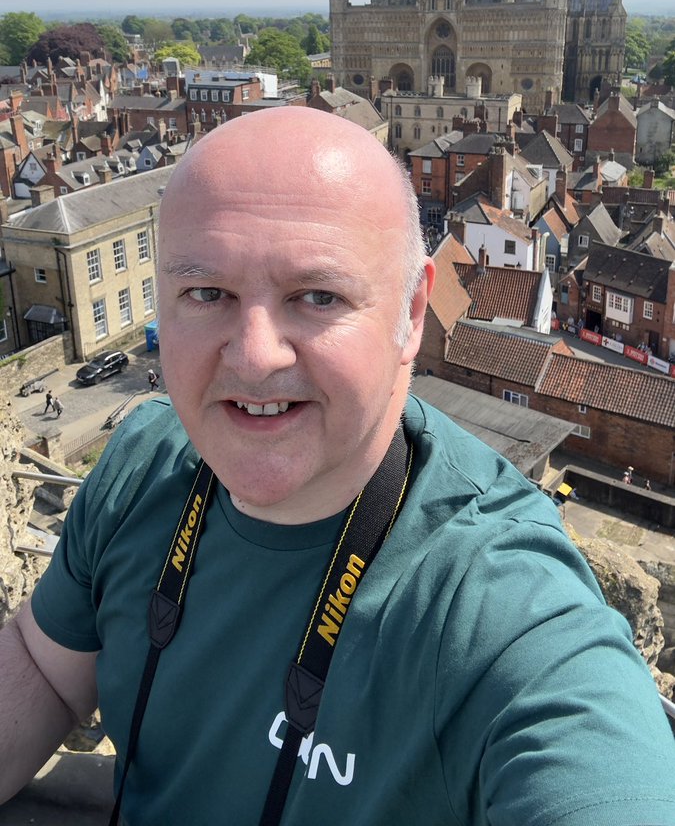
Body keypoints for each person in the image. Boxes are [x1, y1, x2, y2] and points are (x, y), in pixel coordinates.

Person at [1, 108, 674, 826]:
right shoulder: (143, 461)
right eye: (206, 293)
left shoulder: (493, 598)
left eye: (317, 297)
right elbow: (44, 667)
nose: (255, 356)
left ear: (412, 313)